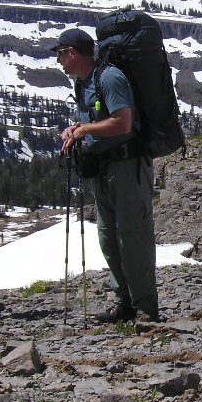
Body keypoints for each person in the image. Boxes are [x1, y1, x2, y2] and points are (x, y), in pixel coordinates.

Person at [52, 28, 160, 323]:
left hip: (128, 168)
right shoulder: (84, 83)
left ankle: (146, 308)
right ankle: (124, 302)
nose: (59, 61)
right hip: (104, 168)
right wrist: (76, 128)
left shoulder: (110, 78)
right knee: (108, 238)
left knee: (132, 238)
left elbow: (123, 123)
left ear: (72, 53)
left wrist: (85, 131)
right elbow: (94, 118)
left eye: (60, 54)